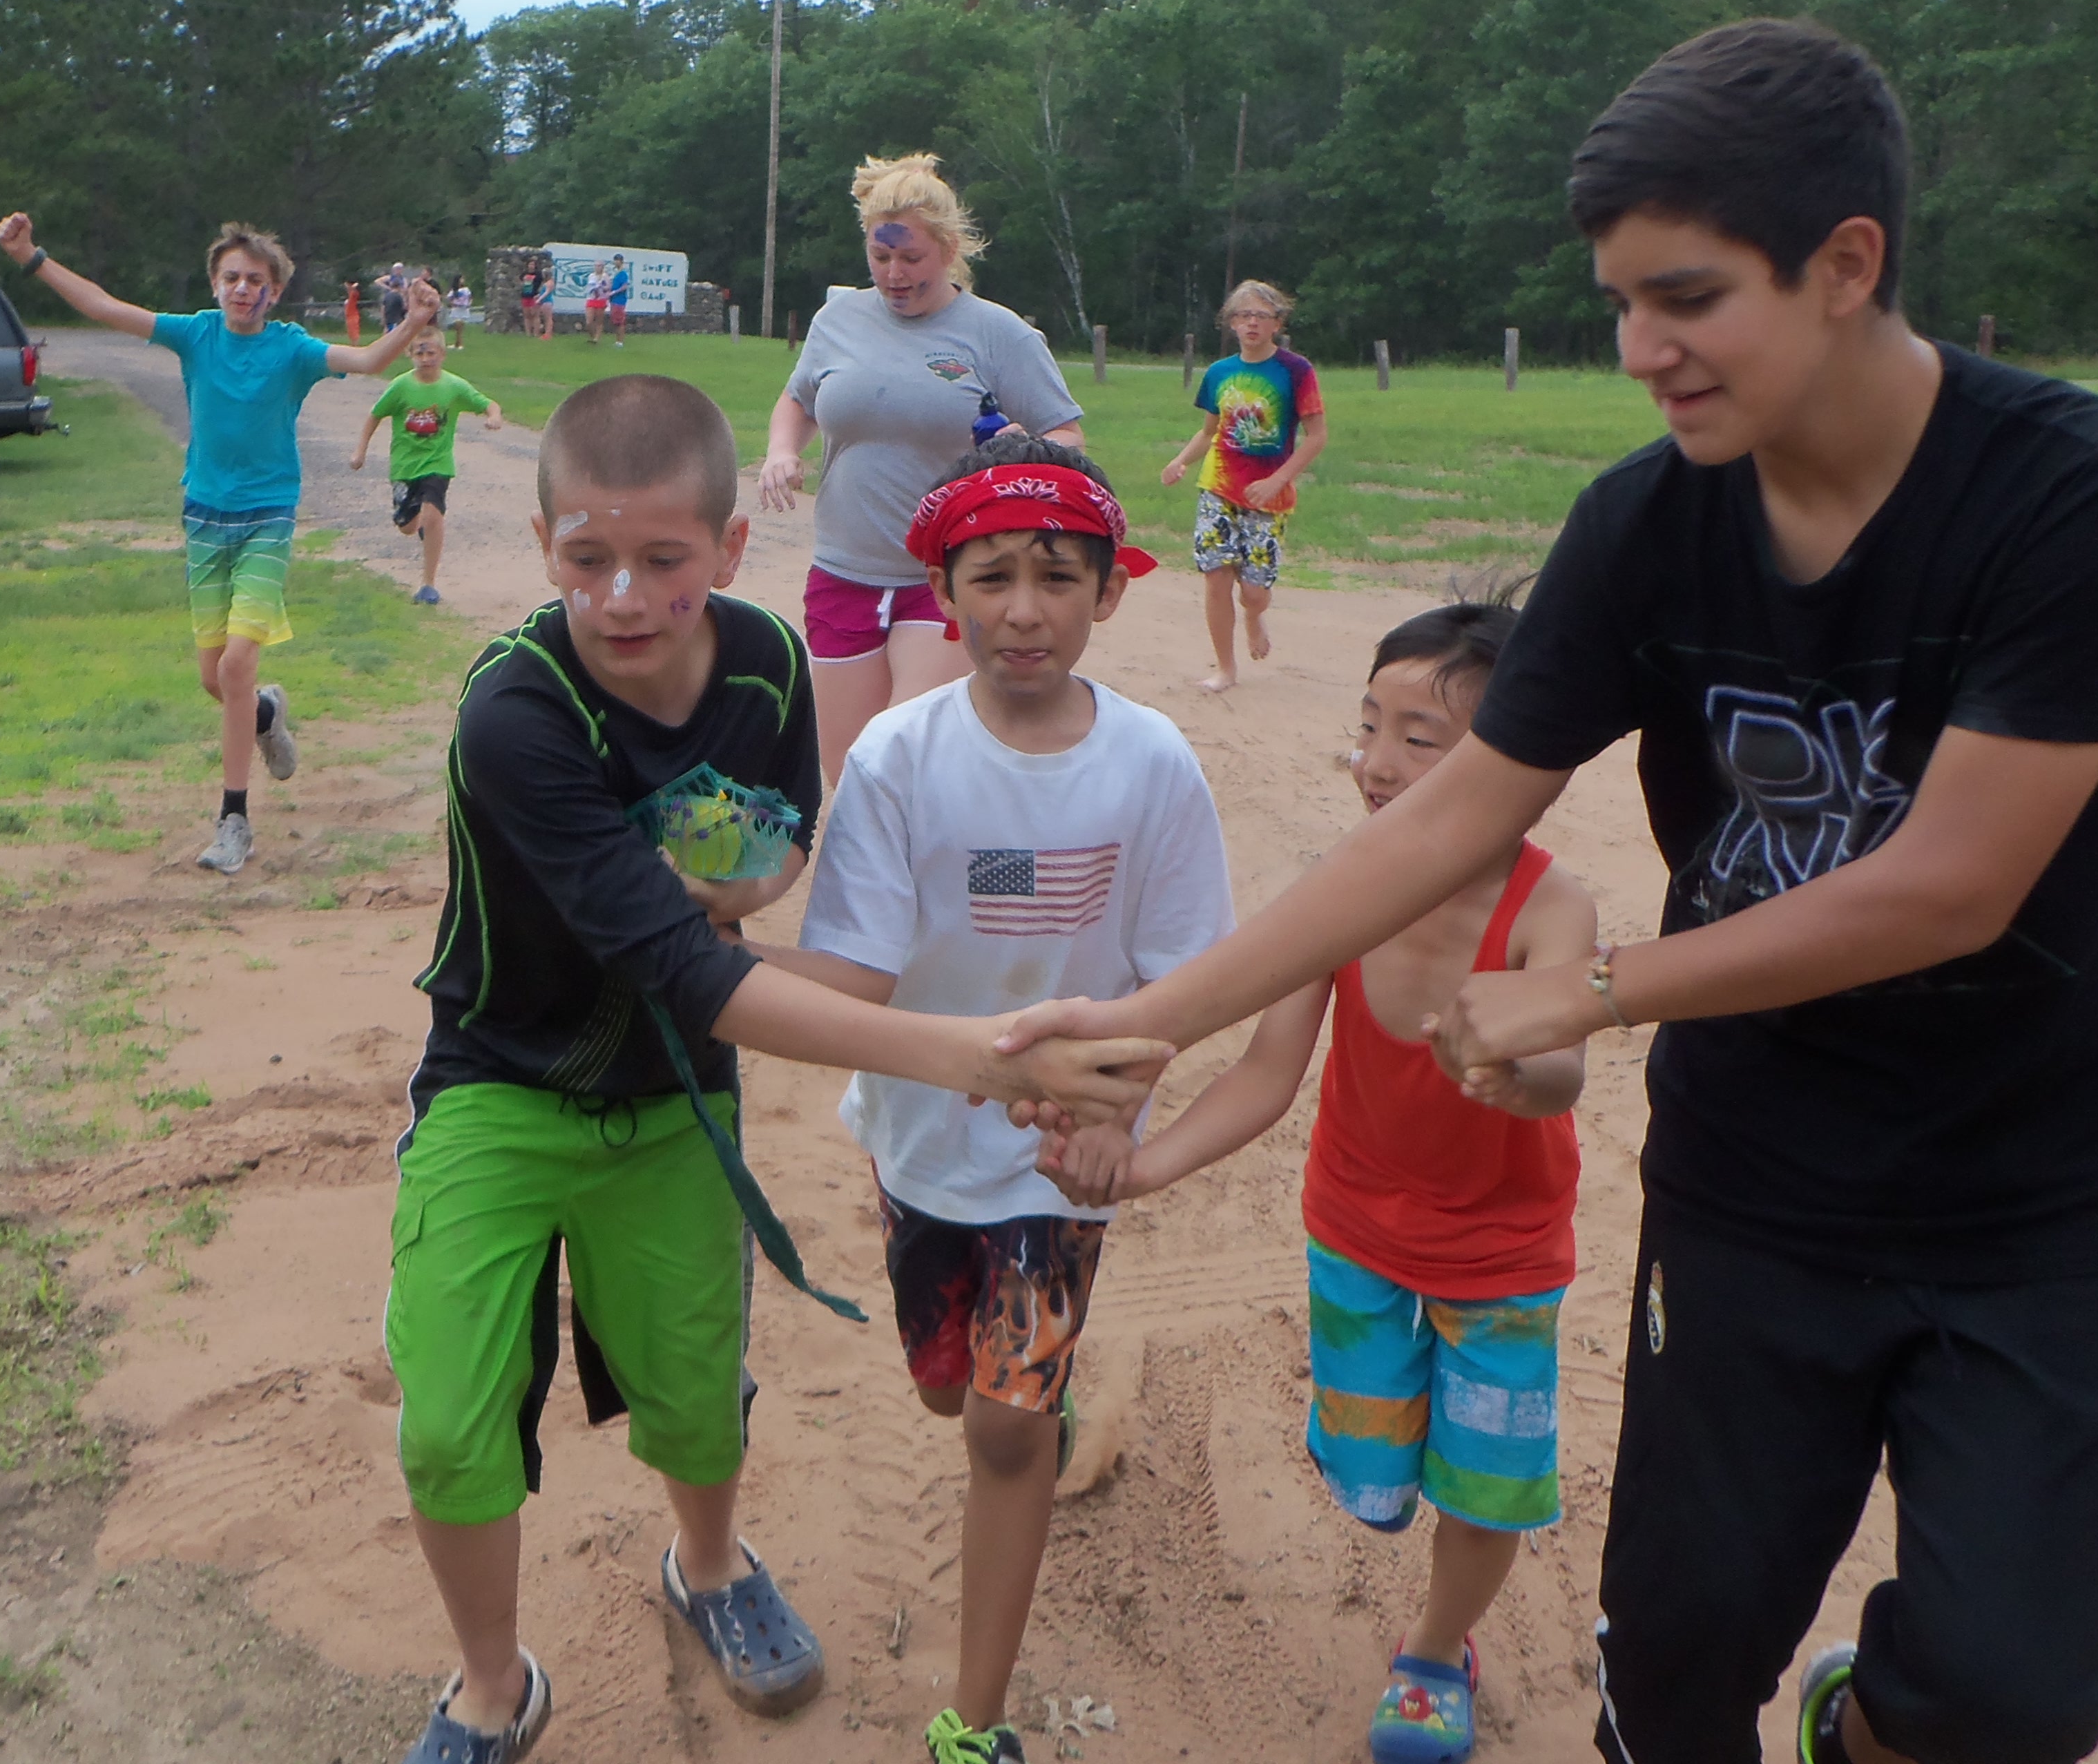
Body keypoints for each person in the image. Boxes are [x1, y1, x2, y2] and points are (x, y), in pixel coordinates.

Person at [995, 19, 2098, 1764]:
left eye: (1685, 298)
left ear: (1844, 263)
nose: (1640, 349)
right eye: (1620, 302)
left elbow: (1949, 885)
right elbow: (1445, 819)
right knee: (1677, 1657)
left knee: (2006, 1691)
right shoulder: (1645, 522)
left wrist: (1590, 986)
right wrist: (1149, 1023)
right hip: (1762, 1174)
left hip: (2056, 1190)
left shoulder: (2088, 500)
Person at [385, 374, 1172, 1764]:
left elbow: (781, 834)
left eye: (663, 560)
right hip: (499, 1083)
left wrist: (743, 889)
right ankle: (492, 1687)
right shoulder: (512, 712)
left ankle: (709, 1565)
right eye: (586, 558)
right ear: (542, 542)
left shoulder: (762, 662)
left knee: (695, 1390)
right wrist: (970, 1055)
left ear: (731, 546)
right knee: (448, 1420)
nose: (623, 596)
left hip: (674, 1100)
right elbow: (683, 970)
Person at [1045, 597, 1595, 1764]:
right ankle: (1406, 1533)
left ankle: (1434, 1652)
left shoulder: (1548, 907)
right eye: (1368, 726)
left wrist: (1520, 1066)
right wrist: (1142, 1165)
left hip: (1501, 1261)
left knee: (1483, 1486)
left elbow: (1561, 1071)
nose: (1376, 763)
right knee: (1373, 1476)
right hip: (1355, 1235)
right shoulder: (1340, 892)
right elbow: (1264, 1072)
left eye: (1418, 739)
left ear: (1518, 767)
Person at [751, 433, 1230, 1764]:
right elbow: (855, 973)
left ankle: (973, 1718)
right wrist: (702, 953)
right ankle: (1026, 1403)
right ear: (942, 592)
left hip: (1056, 1163)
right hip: (917, 1136)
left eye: (1058, 577)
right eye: (993, 576)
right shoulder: (894, 757)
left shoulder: (1152, 764)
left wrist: (1110, 1116)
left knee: (1002, 1432)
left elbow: (1181, 982)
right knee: (945, 1390)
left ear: (1108, 592)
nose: (1025, 610)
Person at [0, 211, 439, 876]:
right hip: (204, 519)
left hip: (267, 521)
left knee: (234, 667)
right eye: (232, 278)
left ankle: (234, 820)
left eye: (255, 280)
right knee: (216, 679)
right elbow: (104, 307)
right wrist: (31, 257)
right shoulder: (196, 335)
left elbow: (369, 360)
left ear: (274, 291)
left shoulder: (292, 350)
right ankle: (266, 713)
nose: (242, 289)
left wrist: (413, 322)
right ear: (215, 284)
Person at [762, 153, 1085, 785]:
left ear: (949, 249)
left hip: (943, 574)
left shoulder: (999, 334)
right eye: (880, 257)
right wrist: (782, 450)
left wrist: (1023, 446)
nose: (894, 273)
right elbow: (798, 400)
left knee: (904, 753)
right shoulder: (838, 321)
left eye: (911, 258)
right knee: (847, 768)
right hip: (842, 571)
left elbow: (1066, 435)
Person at [1160, 279, 1325, 693]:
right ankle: (1226, 668)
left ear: (1277, 324)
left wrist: (1278, 480)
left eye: (1261, 316)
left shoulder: (1296, 371)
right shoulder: (1220, 372)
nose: (1252, 323)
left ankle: (1254, 615)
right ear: (1232, 322)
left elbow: (1317, 437)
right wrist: (1180, 461)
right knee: (1216, 577)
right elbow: (1209, 432)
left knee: (1253, 592)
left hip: (1269, 496)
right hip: (1218, 487)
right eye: (1244, 315)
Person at [354, 325, 501, 606]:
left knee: (433, 515)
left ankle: (428, 585)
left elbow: (488, 403)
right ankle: (419, 523)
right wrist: (360, 451)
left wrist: (494, 417)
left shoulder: (454, 386)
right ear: (410, 355)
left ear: (442, 354)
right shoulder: (401, 386)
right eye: (419, 354)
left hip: (437, 464)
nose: (425, 359)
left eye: (431, 353)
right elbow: (374, 416)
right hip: (404, 467)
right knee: (407, 526)